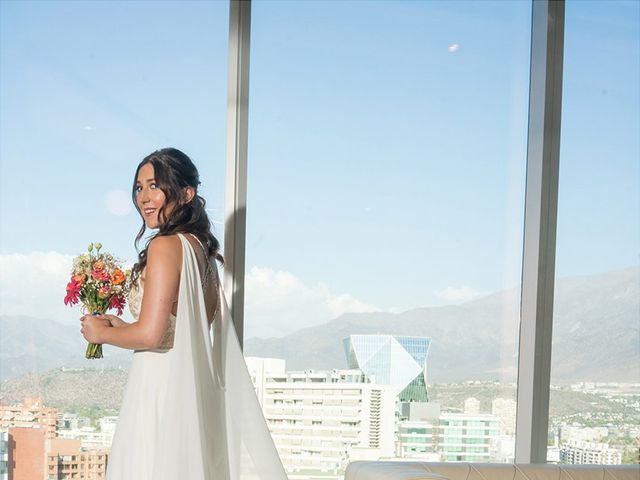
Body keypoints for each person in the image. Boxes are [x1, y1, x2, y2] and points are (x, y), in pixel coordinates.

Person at [79, 148, 287, 480]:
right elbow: (180, 328)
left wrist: (99, 333)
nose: (144, 197)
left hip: (159, 389)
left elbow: (149, 335)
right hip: (189, 392)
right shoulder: (200, 249)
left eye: (154, 186)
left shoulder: (165, 246)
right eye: (138, 187)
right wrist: (125, 326)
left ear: (186, 193)